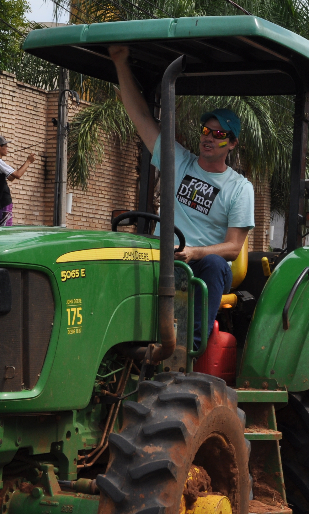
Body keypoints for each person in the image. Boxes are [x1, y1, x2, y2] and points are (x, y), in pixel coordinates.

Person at [109, 45, 255, 341]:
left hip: (202, 264)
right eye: (206, 131)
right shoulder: (179, 160)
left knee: (213, 264)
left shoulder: (239, 188)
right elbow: (138, 115)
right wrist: (119, 61)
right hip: (163, 254)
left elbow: (232, 248)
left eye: (219, 134)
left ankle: (190, 348)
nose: (209, 138)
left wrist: (196, 252)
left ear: (232, 144)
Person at [0, 135, 35, 226]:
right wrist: (28, 161)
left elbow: (11, 177)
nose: (7, 148)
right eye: (6, 146)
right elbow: (17, 175)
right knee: (3, 232)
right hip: (2, 202)